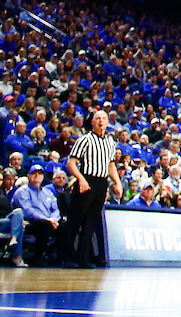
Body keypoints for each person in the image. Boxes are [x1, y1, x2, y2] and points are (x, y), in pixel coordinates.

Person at [63, 111, 121, 269]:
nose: (101, 121)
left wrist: (117, 182)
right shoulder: (85, 139)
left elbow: (111, 165)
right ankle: (67, 257)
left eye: (104, 118)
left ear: (108, 122)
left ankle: (83, 258)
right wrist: (81, 179)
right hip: (86, 180)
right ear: (93, 122)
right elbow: (71, 163)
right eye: (98, 118)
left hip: (102, 183)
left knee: (91, 223)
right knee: (75, 221)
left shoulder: (110, 141)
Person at [10, 163, 60, 266]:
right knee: (44, 225)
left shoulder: (48, 192)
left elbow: (55, 209)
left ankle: (62, 258)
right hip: (28, 222)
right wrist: (47, 219)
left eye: (40, 174)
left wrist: (54, 219)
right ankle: (39, 258)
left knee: (66, 226)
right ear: (28, 176)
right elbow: (27, 211)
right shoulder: (22, 191)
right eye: (34, 173)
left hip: (49, 221)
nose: (37, 176)